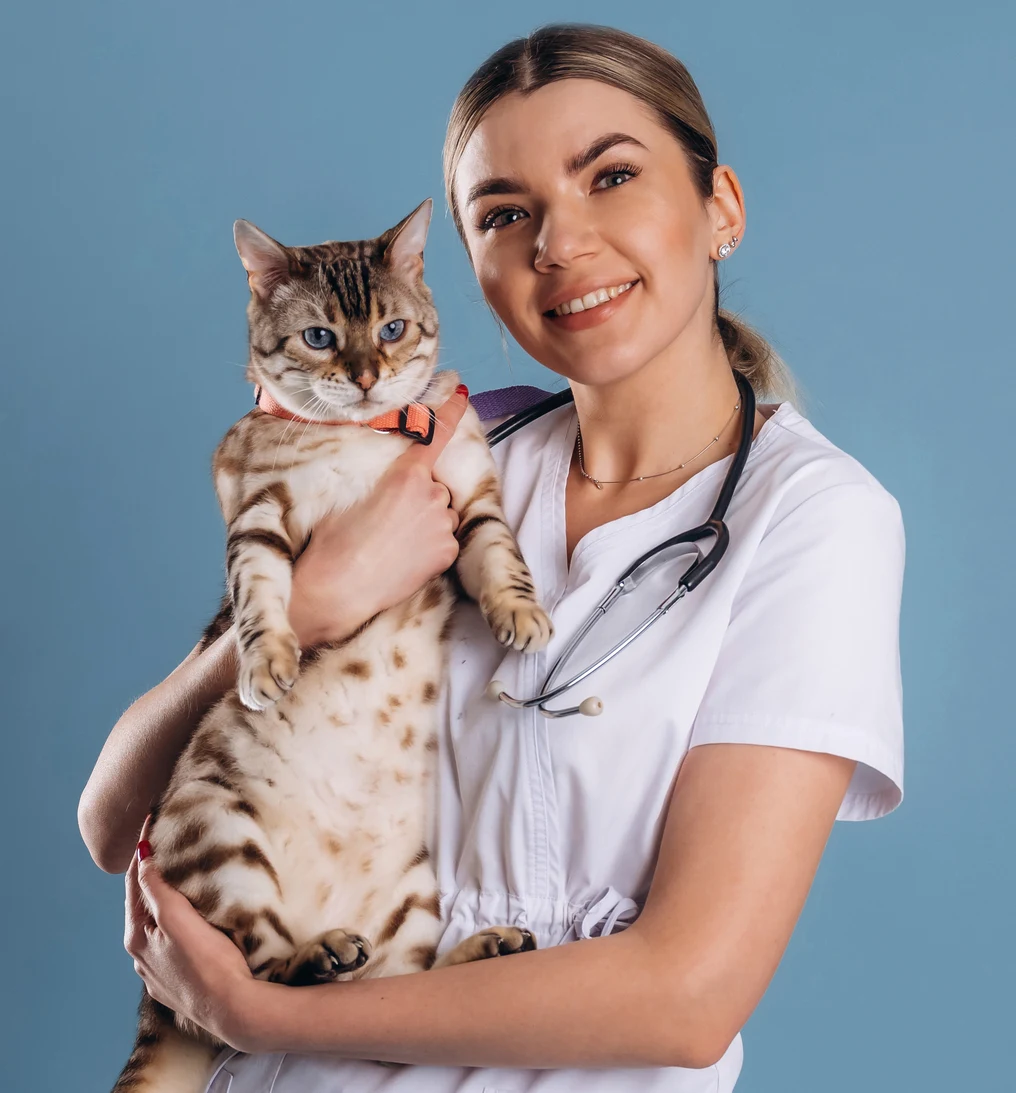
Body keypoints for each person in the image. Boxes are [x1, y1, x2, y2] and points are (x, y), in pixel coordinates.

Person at [78, 23, 905, 1093]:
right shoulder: (435, 455)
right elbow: (111, 819)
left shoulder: (812, 518)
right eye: (505, 214)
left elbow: (686, 995)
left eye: (610, 176)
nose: (558, 244)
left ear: (719, 210)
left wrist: (253, 1008)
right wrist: (303, 610)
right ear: (469, 268)